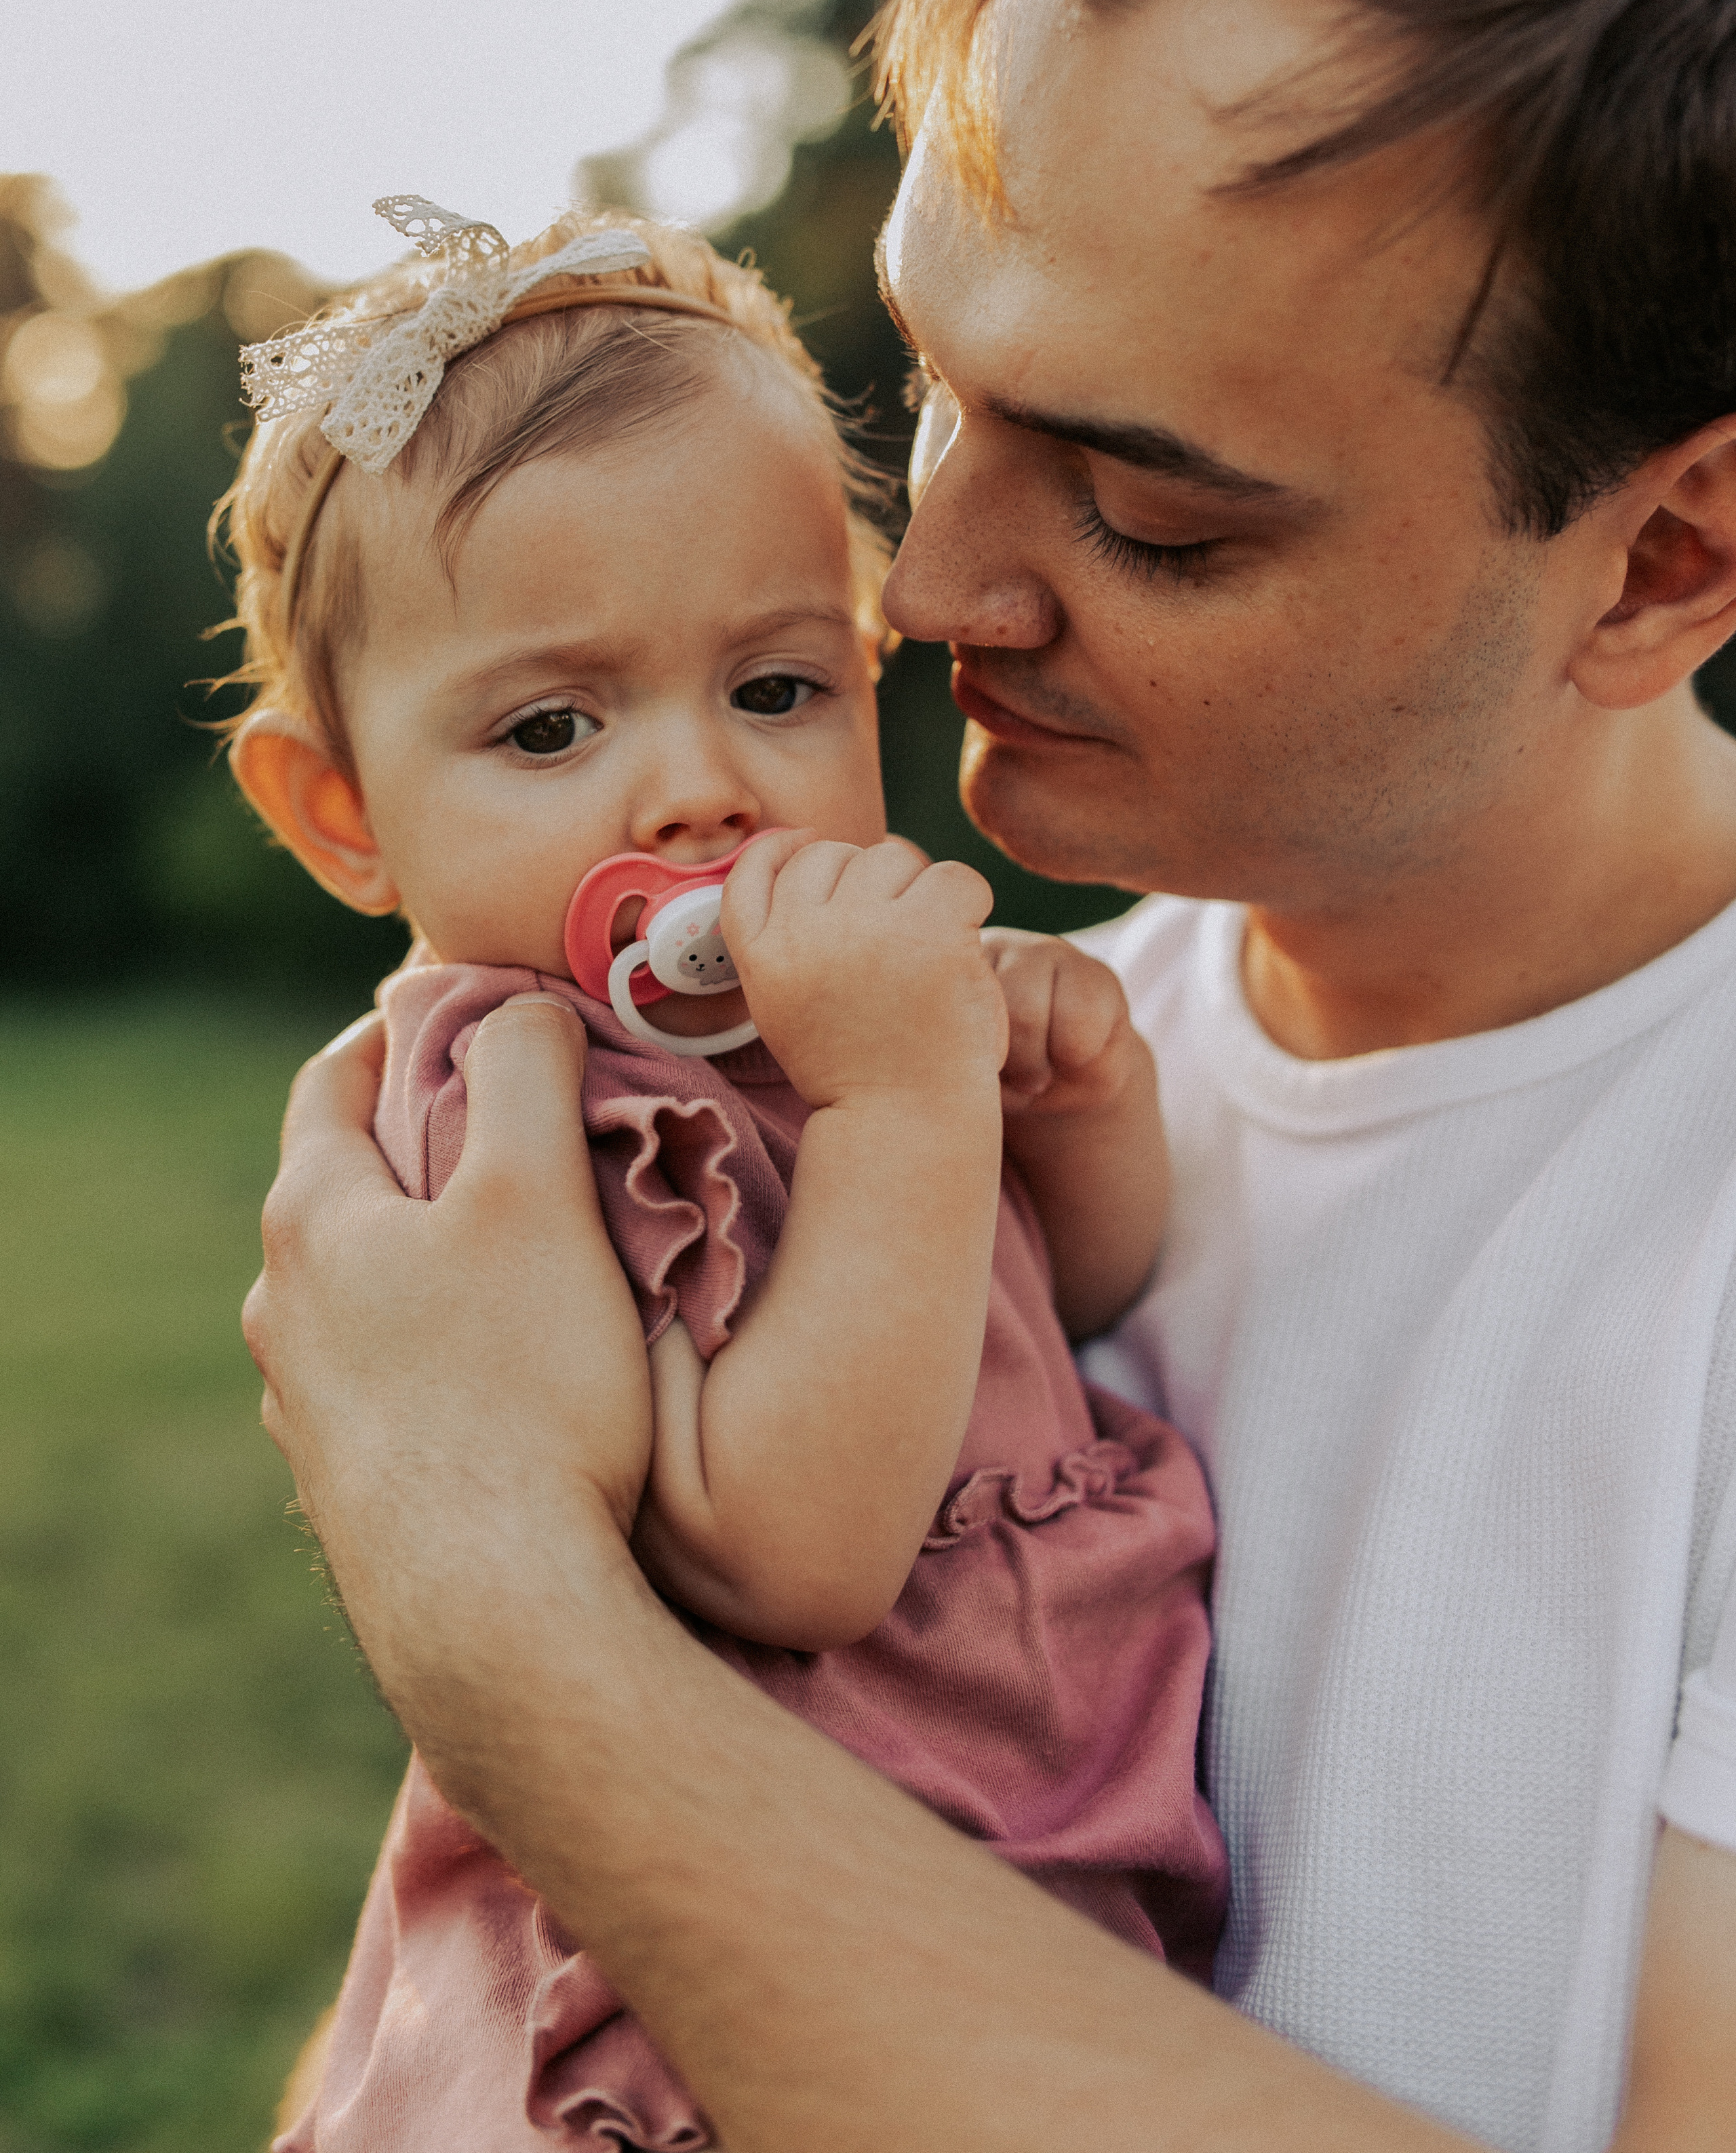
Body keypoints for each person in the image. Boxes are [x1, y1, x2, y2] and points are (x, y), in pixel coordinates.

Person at [243, 0, 1736, 2152]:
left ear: (1672, 550)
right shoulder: (1026, 1047)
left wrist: (504, 1621)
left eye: (1152, 515)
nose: (918, 591)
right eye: (930, 389)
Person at [219, 200, 1225, 2147]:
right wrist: (909, 1111)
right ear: (344, 809)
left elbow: (1042, 1327)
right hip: (725, 2005)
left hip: (997, 1885)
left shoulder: (827, 1024)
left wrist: (1068, 1119)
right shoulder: (518, 1105)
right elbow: (796, 1547)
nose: (700, 787)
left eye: (776, 688)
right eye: (550, 724)